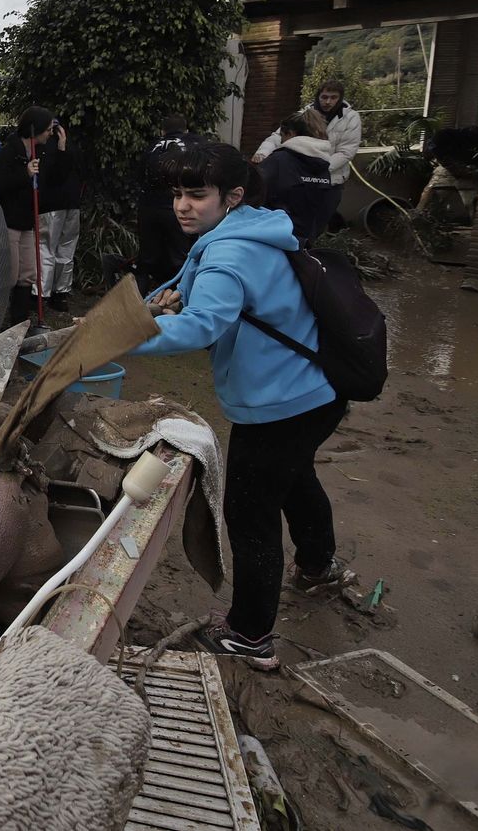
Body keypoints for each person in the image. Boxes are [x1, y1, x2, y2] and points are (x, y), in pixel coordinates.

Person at [131, 142, 354, 670]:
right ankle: (319, 568)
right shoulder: (251, 226)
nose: (183, 205)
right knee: (295, 479)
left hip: (281, 404)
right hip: (318, 392)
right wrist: (152, 305)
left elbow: (203, 324)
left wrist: (122, 336)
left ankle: (249, 635)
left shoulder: (229, 252)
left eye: (196, 194)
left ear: (231, 195)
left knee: (249, 513)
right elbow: (191, 291)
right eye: (177, 194)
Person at [255, 79, 361, 212]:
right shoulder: (303, 115)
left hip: (331, 180)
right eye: (324, 97)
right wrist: (263, 152)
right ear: (318, 96)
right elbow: (278, 136)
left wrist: (319, 168)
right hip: (299, 180)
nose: (328, 102)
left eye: (333, 98)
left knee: (319, 219)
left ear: (340, 99)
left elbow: (346, 151)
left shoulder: (350, 118)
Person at [0, 107, 50, 323]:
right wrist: (24, 174)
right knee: (10, 275)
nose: (50, 133)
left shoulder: (37, 152)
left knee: (28, 273)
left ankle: (20, 321)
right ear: (38, 128)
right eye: (48, 129)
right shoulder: (9, 152)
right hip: (9, 222)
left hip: (27, 221)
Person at [135, 115, 203, 293]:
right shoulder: (194, 144)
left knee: (147, 258)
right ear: (186, 130)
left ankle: (138, 299)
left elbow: (139, 175)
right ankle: (178, 299)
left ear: (162, 131)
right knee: (179, 257)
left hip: (148, 207)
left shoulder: (152, 147)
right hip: (176, 208)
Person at [257, 110, 337, 244]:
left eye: (282, 136)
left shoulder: (278, 161)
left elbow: (253, 194)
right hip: (304, 242)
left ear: (291, 134)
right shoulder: (324, 166)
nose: (281, 141)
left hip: (274, 238)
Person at [35, 114, 85, 313]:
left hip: (51, 204)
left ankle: (42, 293)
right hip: (72, 202)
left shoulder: (43, 148)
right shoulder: (73, 146)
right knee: (66, 248)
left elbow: (48, 176)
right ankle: (61, 293)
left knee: (46, 247)